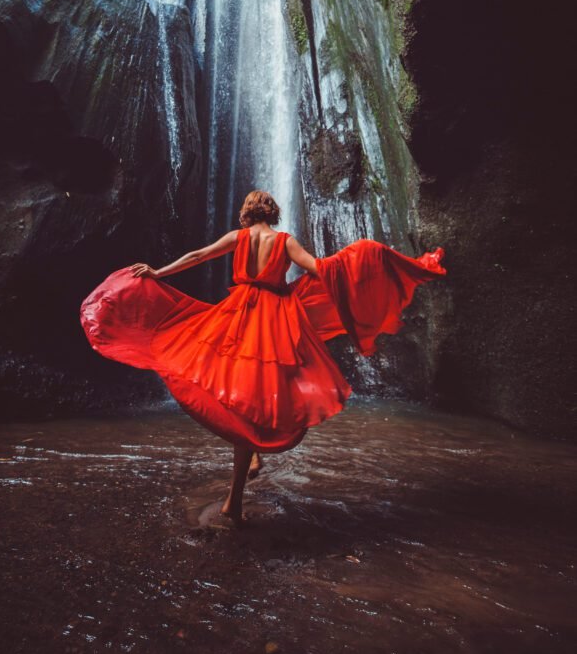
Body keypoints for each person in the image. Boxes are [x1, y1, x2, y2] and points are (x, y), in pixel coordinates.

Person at [80, 190, 446, 527]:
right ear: (272, 212)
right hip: (275, 321)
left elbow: (198, 256)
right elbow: (320, 270)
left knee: (238, 391)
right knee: (265, 393)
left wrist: (158, 272)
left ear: (247, 212)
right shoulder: (284, 242)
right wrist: (360, 259)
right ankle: (243, 476)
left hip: (239, 316)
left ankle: (241, 480)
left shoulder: (238, 238)